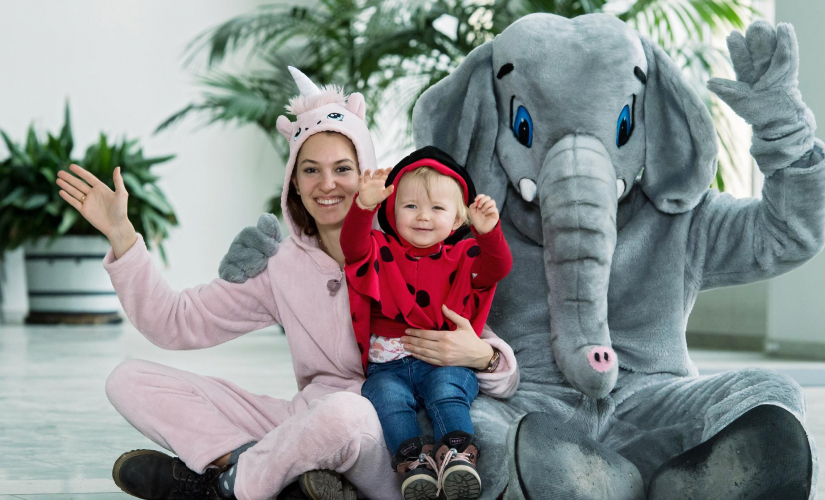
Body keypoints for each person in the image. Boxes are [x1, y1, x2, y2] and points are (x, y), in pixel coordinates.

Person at [53, 68, 520, 500]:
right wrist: (122, 235)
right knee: (129, 380)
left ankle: (220, 489)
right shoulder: (279, 262)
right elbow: (172, 324)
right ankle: (272, 475)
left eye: (343, 168)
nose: (327, 184)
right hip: (302, 421)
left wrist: (482, 355)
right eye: (310, 170)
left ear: (368, 174)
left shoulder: (416, 242)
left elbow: (501, 369)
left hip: (391, 443)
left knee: (345, 412)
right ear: (293, 182)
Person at [340, 147, 512, 500]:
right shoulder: (378, 247)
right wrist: (363, 207)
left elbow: (498, 268)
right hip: (387, 365)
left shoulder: (464, 255)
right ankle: (412, 462)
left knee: (448, 390)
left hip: (443, 360)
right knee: (385, 397)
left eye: (437, 208)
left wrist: (489, 232)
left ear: (458, 219)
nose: (423, 217)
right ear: (392, 210)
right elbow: (352, 248)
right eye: (411, 206)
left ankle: (458, 454)